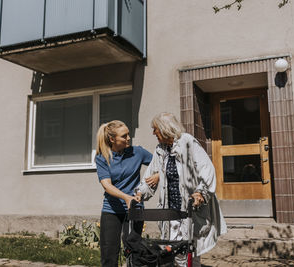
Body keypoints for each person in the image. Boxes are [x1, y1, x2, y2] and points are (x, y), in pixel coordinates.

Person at [135, 112, 227, 267]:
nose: (153, 133)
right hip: (171, 210)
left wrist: (201, 192)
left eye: (155, 129)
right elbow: (150, 175)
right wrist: (140, 193)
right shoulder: (161, 149)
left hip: (190, 209)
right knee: (176, 252)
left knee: (191, 251)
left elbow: (206, 169)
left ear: (164, 129)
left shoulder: (187, 141)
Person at [95, 120, 159, 267]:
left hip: (135, 209)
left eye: (128, 134)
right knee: (109, 253)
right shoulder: (102, 157)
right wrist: (126, 197)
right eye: (124, 136)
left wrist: (158, 175)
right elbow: (107, 185)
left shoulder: (138, 152)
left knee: (134, 251)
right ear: (112, 139)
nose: (128, 138)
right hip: (111, 210)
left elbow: (161, 163)